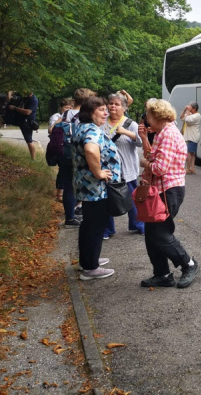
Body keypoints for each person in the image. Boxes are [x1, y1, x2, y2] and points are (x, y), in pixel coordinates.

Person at [138, 99, 198, 289]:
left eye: (148, 115)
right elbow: (155, 158)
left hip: (169, 191)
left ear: (157, 116)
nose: (147, 119)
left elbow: (160, 168)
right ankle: (162, 274)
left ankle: (189, 264)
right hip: (161, 190)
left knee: (161, 234)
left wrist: (145, 164)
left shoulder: (169, 134)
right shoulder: (162, 133)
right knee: (151, 234)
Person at [72, 96, 120, 281]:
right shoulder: (91, 130)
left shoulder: (82, 127)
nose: (106, 113)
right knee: (96, 225)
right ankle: (91, 268)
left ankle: (88, 260)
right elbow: (91, 150)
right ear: (90, 113)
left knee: (88, 224)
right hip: (96, 189)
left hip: (87, 187)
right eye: (101, 110)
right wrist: (99, 172)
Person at [102, 92, 144, 239]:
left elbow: (140, 142)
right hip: (107, 169)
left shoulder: (130, 124)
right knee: (107, 200)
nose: (113, 106)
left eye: (117, 104)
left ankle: (137, 225)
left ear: (124, 108)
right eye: (111, 103)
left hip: (127, 169)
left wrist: (127, 132)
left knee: (132, 199)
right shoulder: (102, 122)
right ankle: (107, 230)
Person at [52, 88, 95, 227]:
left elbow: (52, 129)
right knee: (84, 184)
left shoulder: (66, 114)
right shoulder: (86, 115)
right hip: (80, 154)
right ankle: (80, 211)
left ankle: (70, 216)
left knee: (69, 186)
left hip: (65, 153)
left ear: (74, 100)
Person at [0, 90, 39, 160]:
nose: (24, 93)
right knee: (0, 118)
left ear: (31, 92)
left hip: (27, 122)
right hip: (17, 118)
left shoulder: (34, 100)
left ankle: (33, 159)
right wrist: (9, 95)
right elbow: (12, 91)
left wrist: (14, 108)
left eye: (27, 92)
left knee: (29, 141)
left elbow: (27, 112)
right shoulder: (23, 94)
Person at [48, 98, 73, 201]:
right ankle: (60, 194)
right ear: (61, 108)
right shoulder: (56, 116)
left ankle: (66, 193)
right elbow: (51, 131)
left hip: (70, 146)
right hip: (60, 147)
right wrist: (61, 119)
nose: (68, 110)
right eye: (66, 108)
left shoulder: (73, 116)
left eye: (71, 108)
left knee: (67, 170)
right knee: (63, 170)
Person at [180, 101, 201, 174]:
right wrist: (184, 110)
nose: (189, 108)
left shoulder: (197, 115)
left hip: (193, 137)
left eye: (190, 107)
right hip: (189, 136)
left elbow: (187, 120)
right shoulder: (190, 114)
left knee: (189, 153)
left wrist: (188, 112)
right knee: (192, 153)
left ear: (194, 108)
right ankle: (192, 168)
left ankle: (188, 168)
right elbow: (182, 118)